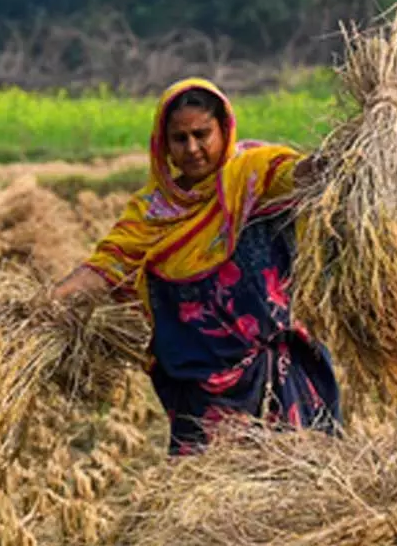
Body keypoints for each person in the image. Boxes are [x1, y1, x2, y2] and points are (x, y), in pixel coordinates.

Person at [51, 78, 342, 455]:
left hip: (277, 373)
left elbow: (302, 176)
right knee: (212, 495)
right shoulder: (152, 211)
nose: (192, 149)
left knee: (296, 487)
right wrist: (50, 300)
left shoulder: (252, 174)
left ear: (224, 129)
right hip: (201, 385)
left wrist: (346, 156)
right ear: (163, 145)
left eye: (202, 134)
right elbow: (107, 265)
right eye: (180, 138)